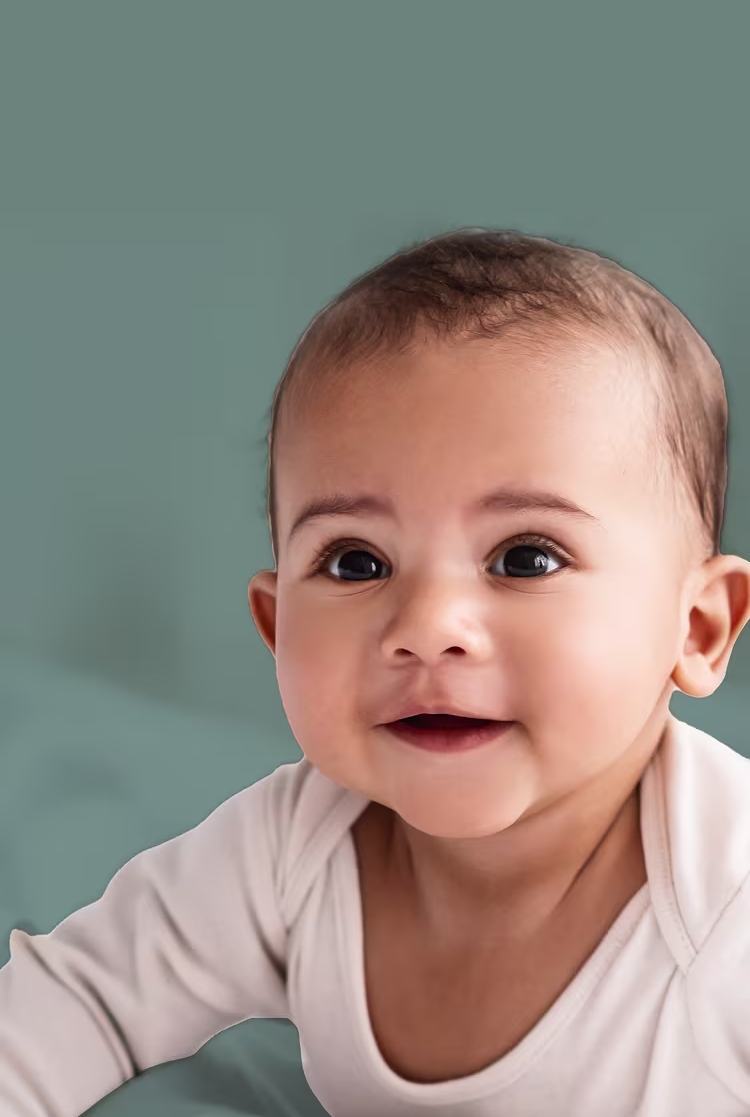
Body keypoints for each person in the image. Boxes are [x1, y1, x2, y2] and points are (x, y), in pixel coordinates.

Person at [2, 227, 750, 1116]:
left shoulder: (728, 908)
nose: (427, 628)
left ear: (698, 628)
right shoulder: (292, 849)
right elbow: (81, 999)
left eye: (526, 558)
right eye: (356, 562)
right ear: (276, 627)